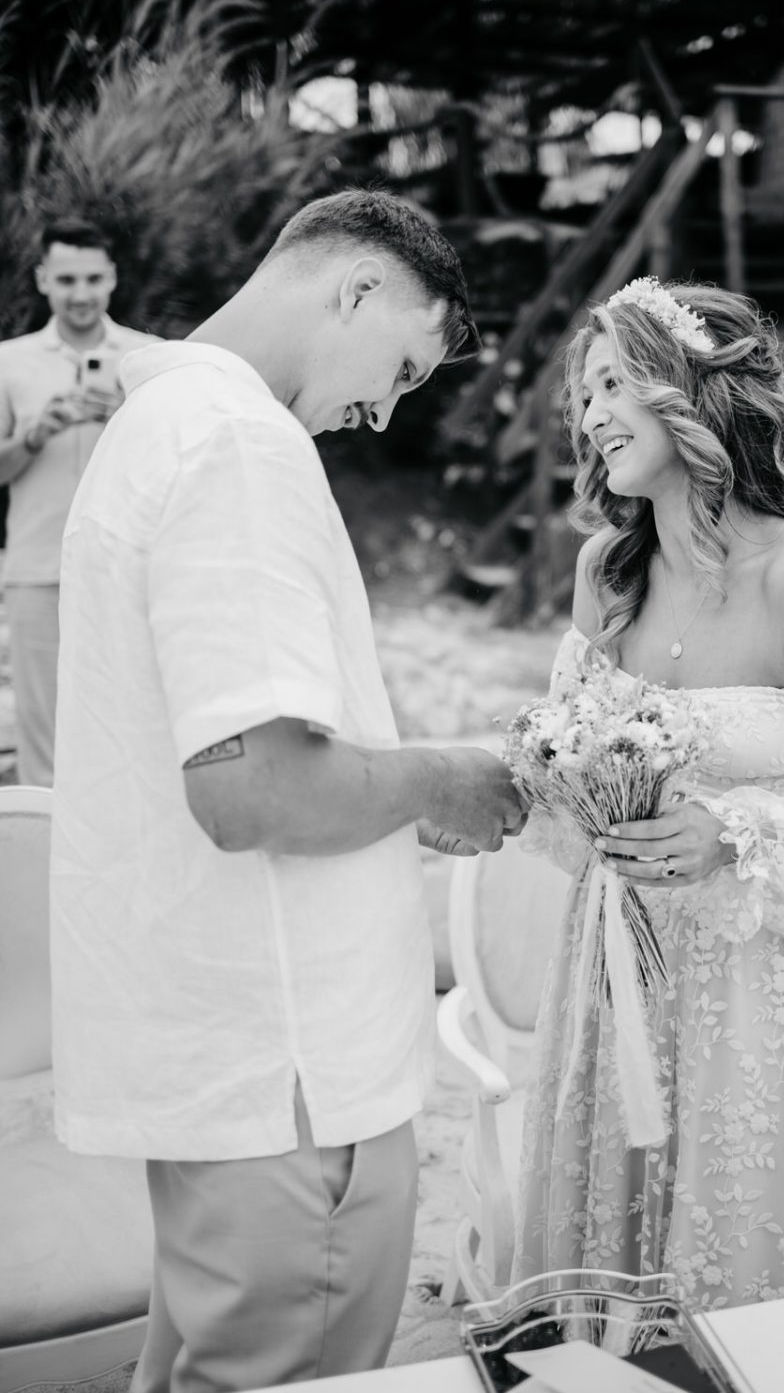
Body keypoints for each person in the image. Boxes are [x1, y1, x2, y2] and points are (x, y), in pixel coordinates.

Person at [49, 189, 526, 1392]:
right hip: (291, 1080)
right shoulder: (237, 446)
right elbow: (252, 789)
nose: (384, 412)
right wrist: (445, 778)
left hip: (233, 1059)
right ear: (356, 288)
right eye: (406, 367)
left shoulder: (164, 421)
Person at [512, 278, 784, 1309]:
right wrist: (548, 776)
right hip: (610, 967)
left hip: (752, 991)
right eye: (584, 392)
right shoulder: (606, 573)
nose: (590, 414)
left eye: (614, 384)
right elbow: (567, 750)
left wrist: (732, 830)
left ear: (691, 394)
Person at [0, 218, 153, 785]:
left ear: (112, 278)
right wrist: (33, 434)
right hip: (36, 572)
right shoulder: (7, 362)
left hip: (128, 569)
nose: (81, 293)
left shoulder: (149, 358)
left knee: (130, 722)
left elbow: (177, 464)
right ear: (43, 279)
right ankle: (45, 865)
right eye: (67, 279)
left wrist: (125, 419)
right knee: (43, 737)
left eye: (93, 277)